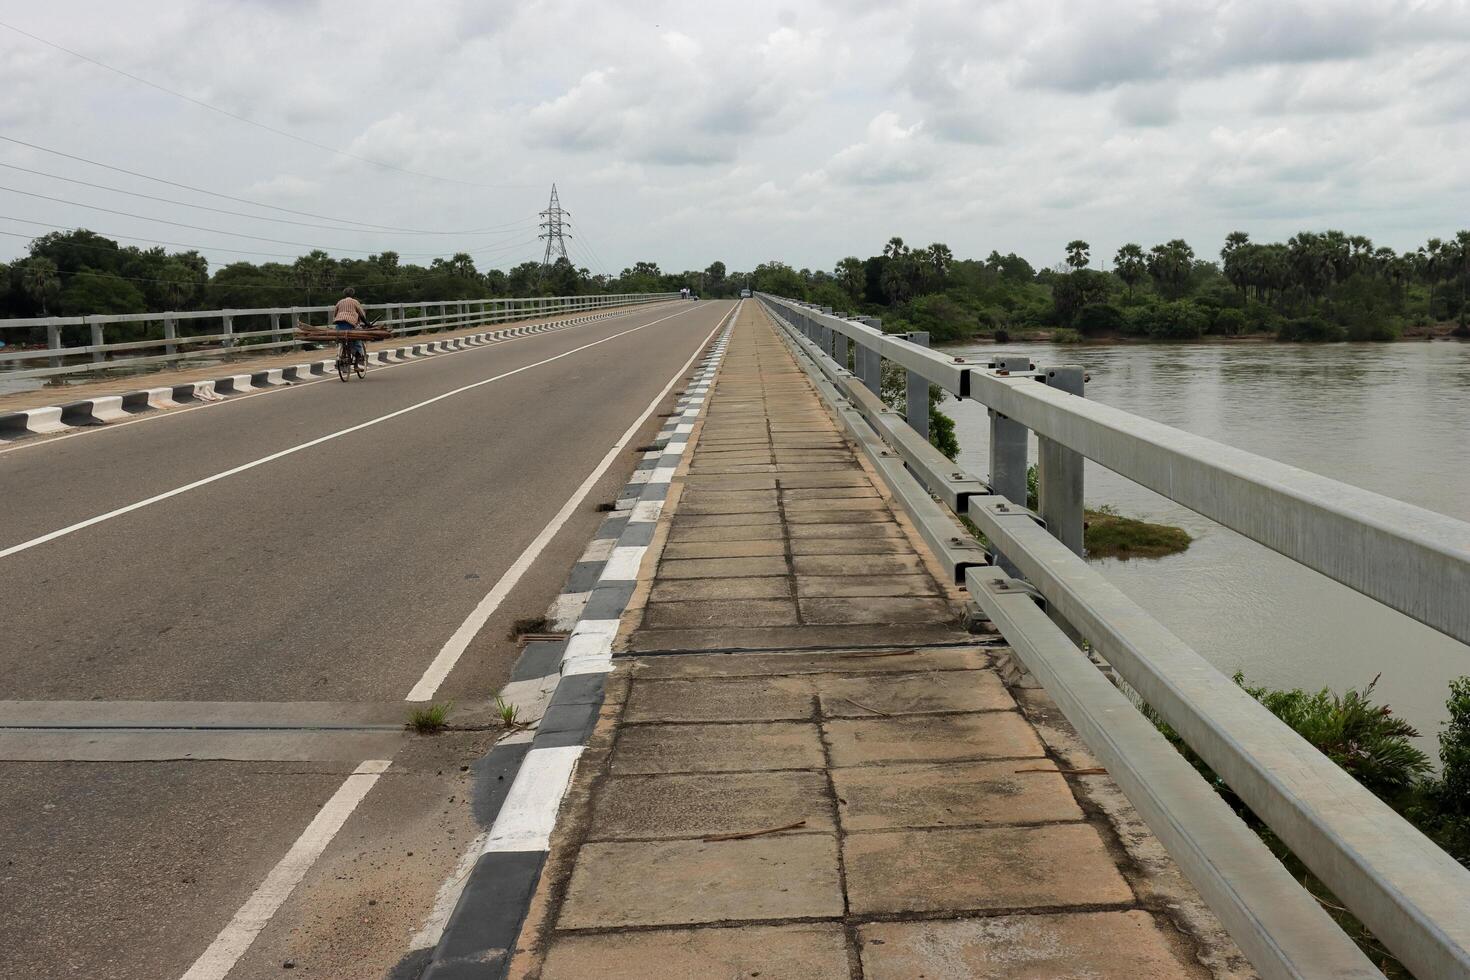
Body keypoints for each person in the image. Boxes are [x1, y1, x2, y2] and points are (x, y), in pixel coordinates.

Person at [332, 287, 369, 359]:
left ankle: (340, 354)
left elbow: (335, 314)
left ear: (344, 294)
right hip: (350, 324)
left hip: (339, 324)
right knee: (358, 338)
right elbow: (361, 314)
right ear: (353, 294)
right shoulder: (355, 302)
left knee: (341, 339)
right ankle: (357, 360)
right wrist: (366, 323)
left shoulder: (339, 302)